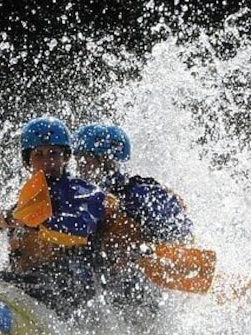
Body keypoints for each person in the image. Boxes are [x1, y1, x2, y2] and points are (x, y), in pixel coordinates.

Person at [73, 122, 194, 319]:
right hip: (99, 282)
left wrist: (140, 253)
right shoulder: (81, 196)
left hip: (139, 284)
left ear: (107, 160)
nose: (81, 167)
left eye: (86, 160)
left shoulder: (141, 193)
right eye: (79, 160)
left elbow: (181, 234)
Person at [0, 116, 107, 320]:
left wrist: (35, 221)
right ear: (28, 161)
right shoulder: (26, 200)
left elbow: (81, 229)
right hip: (30, 284)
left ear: (65, 157)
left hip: (70, 293)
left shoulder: (85, 192)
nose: (47, 162)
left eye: (54, 153)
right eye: (39, 155)